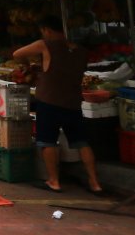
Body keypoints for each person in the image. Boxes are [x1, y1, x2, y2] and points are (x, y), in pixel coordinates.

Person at [12, 15, 105, 195]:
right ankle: (95, 183)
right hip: (72, 102)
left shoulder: (45, 45)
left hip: (50, 102)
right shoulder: (80, 50)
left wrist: (27, 66)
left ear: (46, 30)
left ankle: (54, 181)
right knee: (81, 142)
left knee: (48, 142)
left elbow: (17, 54)